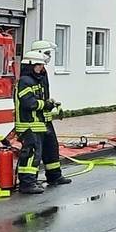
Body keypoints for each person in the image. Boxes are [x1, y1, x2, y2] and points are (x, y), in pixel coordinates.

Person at [14, 41, 71, 193]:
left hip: (41, 121)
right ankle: (27, 183)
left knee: (51, 149)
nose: (42, 67)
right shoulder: (25, 81)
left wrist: (49, 105)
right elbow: (28, 103)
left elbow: (40, 98)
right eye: (39, 65)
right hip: (29, 123)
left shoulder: (38, 78)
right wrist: (44, 104)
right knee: (32, 153)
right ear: (32, 65)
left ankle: (54, 176)